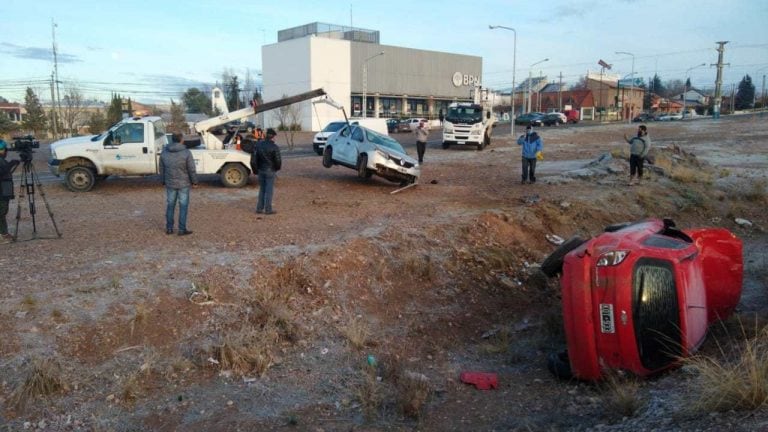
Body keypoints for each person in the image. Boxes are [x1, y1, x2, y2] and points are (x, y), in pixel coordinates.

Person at [160, 132, 198, 235]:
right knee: (183, 206)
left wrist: (163, 180)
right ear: (181, 140)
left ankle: (169, 228)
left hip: (170, 183)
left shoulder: (164, 152)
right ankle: (181, 229)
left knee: (170, 205)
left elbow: (162, 169)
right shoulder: (186, 152)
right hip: (183, 183)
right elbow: (191, 169)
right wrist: (194, 182)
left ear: (172, 139)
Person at [253, 128, 282, 215]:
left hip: (261, 170)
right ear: (272, 137)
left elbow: (254, 159)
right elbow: (278, 161)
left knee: (262, 189)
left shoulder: (258, 145)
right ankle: (268, 209)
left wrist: (256, 169)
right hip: (270, 170)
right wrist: (276, 168)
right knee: (269, 190)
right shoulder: (274, 147)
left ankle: (259, 208)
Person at [0, 140, 20, 243]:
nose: (4, 151)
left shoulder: (2, 160)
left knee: (3, 212)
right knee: (1, 212)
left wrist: (12, 164)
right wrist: (11, 164)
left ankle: (4, 233)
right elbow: (3, 171)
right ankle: (2, 235)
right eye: (3, 149)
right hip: (2, 192)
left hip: (4, 190)